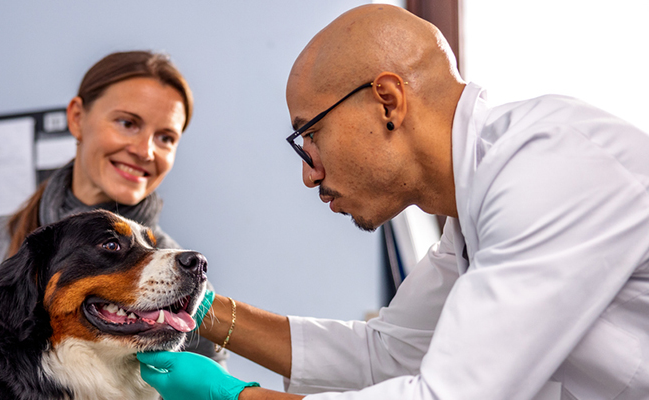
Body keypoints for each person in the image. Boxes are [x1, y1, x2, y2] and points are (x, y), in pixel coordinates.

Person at [136, 4, 649, 400]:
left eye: (309, 135)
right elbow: (385, 354)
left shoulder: (548, 166)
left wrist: (235, 396)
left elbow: (447, 396)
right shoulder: (468, 223)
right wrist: (196, 309)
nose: (308, 174)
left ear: (388, 101)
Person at [0, 50, 227, 365]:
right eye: (127, 123)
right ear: (76, 118)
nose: (145, 151)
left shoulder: (182, 273)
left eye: (165, 137)